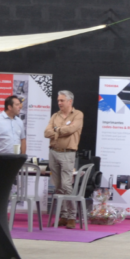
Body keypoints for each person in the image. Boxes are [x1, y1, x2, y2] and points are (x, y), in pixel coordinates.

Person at [44, 90, 83, 229]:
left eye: (62, 100)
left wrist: (56, 130)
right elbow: (46, 132)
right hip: (53, 152)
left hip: (68, 153)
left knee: (66, 185)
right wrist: (60, 130)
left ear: (69, 101)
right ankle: (64, 216)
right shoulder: (55, 115)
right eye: (58, 100)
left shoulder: (78, 114)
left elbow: (71, 130)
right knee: (58, 186)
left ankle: (72, 216)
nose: (59, 103)